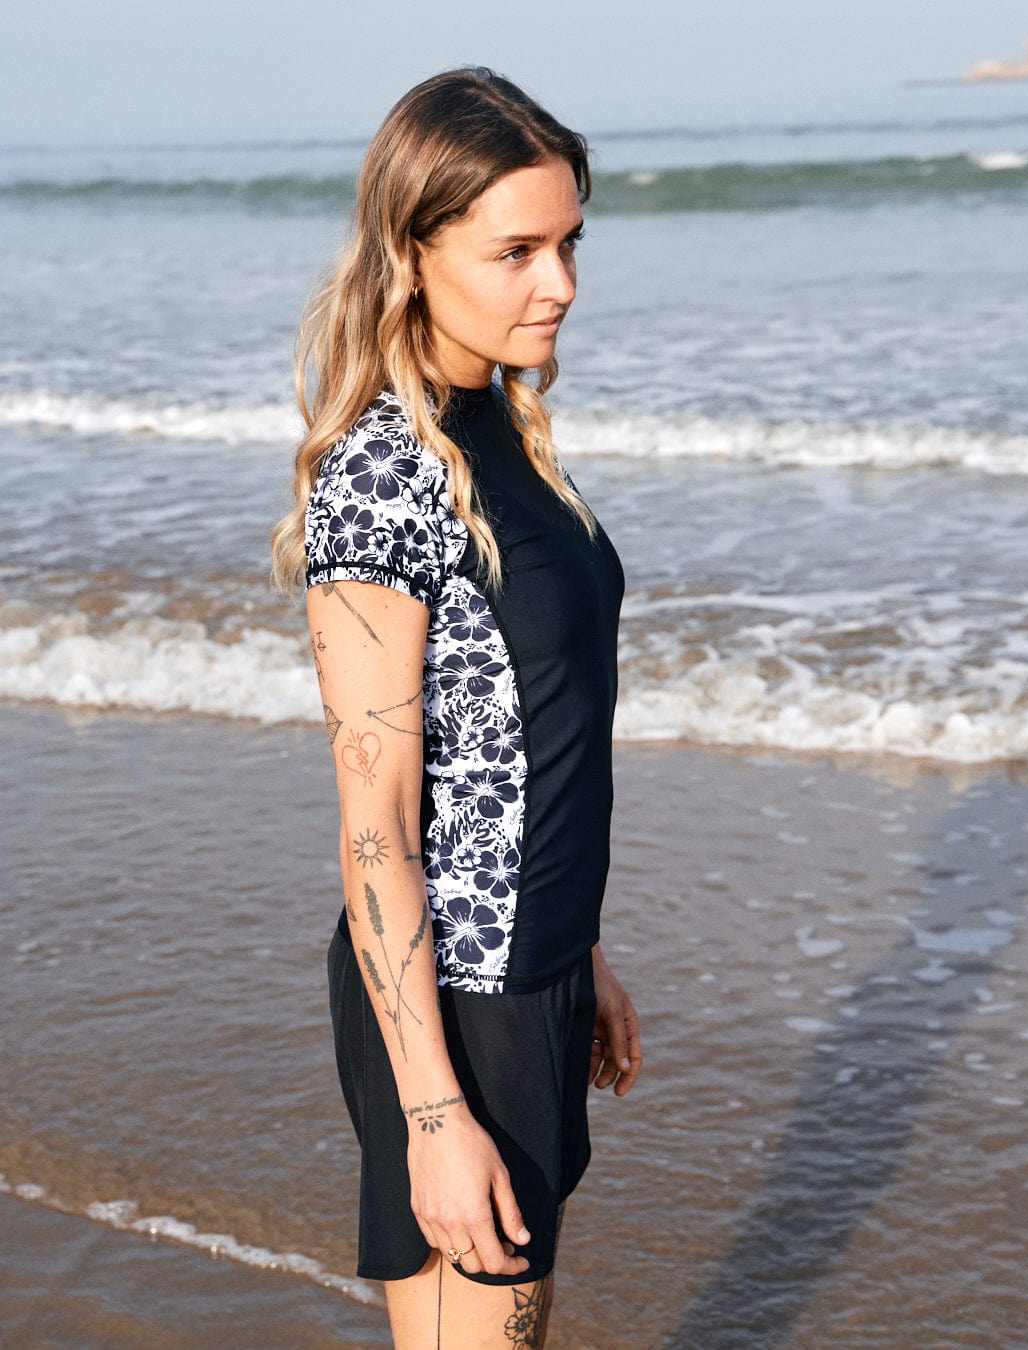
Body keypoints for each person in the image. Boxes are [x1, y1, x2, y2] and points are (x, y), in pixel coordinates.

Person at [270, 67, 642, 1349]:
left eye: (571, 240)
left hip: (529, 971)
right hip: (459, 1002)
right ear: (411, 251)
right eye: (518, 251)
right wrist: (437, 1114)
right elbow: (378, 820)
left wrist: (580, 948)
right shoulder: (384, 471)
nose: (562, 285)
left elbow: (524, 730)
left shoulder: (501, 432)